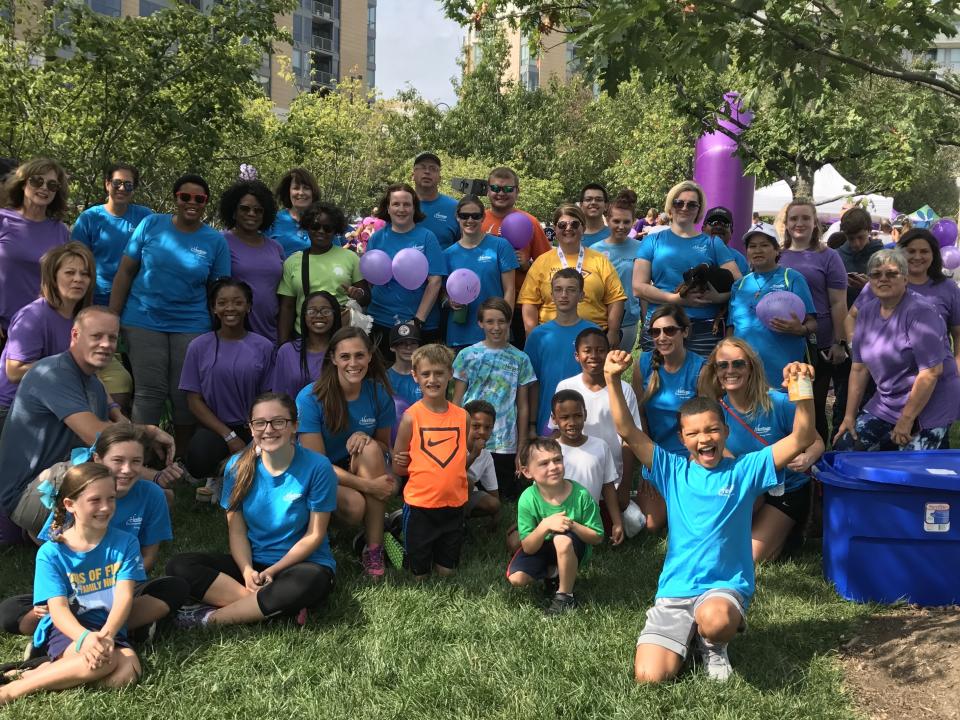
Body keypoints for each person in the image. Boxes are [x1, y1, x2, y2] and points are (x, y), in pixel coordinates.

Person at [605, 350, 817, 683]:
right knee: (649, 677)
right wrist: (612, 379)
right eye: (694, 434)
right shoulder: (670, 469)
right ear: (682, 439)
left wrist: (801, 388)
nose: (704, 439)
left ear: (725, 431)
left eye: (712, 430)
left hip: (722, 588)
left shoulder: (746, 470)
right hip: (676, 590)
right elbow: (626, 429)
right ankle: (685, 635)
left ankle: (712, 644)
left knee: (716, 620)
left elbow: (802, 437)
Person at [0, 425, 187, 647]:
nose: (127, 469)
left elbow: (148, 556)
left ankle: (82, 632)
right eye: (118, 460)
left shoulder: (152, 495)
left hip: (123, 583)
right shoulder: (78, 492)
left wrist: (115, 585)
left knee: (175, 588)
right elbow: (53, 553)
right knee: (10, 612)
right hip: (75, 588)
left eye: (136, 461)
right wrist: (59, 596)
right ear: (98, 459)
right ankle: (124, 628)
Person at [0, 307, 175, 538]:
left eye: (112, 338)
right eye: (96, 336)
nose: (105, 344)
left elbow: (102, 451)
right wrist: (150, 432)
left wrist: (154, 478)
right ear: (75, 336)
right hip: (27, 494)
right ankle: (61, 536)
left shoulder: (92, 383)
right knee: (131, 492)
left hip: (64, 475)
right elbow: (99, 437)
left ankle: (68, 531)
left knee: (159, 497)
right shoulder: (53, 372)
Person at [166, 393, 337, 628]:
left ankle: (208, 619)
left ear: (295, 426)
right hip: (253, 563)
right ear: (251, 427)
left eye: (279, 421)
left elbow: (315, 535)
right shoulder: (237, 466)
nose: (269, 430)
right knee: (179, 565)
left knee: (311, 582)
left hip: (301, 566)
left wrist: (274, 570)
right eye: (260, 423)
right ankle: (271, 607)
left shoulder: (318, 466)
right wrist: (247, 571)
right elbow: (236, 532)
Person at [0, 463, 145, 706]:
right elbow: (58, 610)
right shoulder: (51, 552)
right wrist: (85, 638)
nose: (106, 507)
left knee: (127, 673)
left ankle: (37, 672)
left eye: (111, 498)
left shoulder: (126, 543)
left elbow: (124, 598)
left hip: (109, 630)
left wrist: (107, 635)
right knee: (107, 663)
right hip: (69, 630)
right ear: (70, 505)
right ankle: (12, 691)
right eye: (95, 500)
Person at [110, 173, 230, 453]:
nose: (191, 202)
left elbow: (220, 290)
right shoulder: (152, 224)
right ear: (175, 198)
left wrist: (219, 332)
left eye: (199, 199)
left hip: (191, 324)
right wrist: (112, 318)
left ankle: (183, 458)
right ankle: (140, 455)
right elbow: (126, 271)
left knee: (183, 394)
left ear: (205, 203)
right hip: (142, 319)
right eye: (184, 197)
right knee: (149, 391)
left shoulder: (214, 241)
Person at [699, 338, 824, 562]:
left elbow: (815, 441)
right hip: (749, 490)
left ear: (751, 368)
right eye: (723, 365)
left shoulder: (777, 402)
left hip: (787, 490)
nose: (730, 370)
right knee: (714, 544)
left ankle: (787, 531)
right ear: (715, 371)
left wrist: (808, 457)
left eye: (738, 364)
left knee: (750, 557)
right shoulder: (717, 411)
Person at [835, 249, 960, 451]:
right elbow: (859, 369)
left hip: (931, 404)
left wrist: (906, 419)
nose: (883, 279)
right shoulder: (866, 312)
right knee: (846, 448)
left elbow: (931, 373)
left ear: (905, 279)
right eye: (876, 274)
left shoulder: (921, 312)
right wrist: (849, 417)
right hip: (888, 402)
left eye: (892, 274)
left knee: (910, 469)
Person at [297, 328, 395, 579]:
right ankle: (318, 525)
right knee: (354, 508)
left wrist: (365, 437)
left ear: (370, 357)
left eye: (360, 355)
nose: (353, 363)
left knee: (371, 449)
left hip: (354, 466)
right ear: (333, 358)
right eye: (345, 357)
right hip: (316, 473)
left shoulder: (378, 392)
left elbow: (385, 446)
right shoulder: (311, 397)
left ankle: (374, 549)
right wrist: (370, 486)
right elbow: (316, 464)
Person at [179, 280, 274, 491]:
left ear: (248, 306)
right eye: (222, 303)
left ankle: (233, 469)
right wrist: (229, 437)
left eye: (237, 302)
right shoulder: (199, 346)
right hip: (216, 428)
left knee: (269, 469)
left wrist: (255, 437)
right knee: (199, 460)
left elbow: (268, 397)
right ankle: (219, 473)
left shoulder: (264, 346)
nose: (230, 308)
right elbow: (194, 401)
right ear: (213, 308)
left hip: (254, 427)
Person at [551, 328, 651, 527]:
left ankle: (626, 500)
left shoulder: (624, 389)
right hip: (574, 475)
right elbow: (555, 431)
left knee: (627, 523)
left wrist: (623, 485)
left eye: (600, 350)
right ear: (577, 355)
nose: (594, 356)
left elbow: (629, 441)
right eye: (587, 350)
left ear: (609, 352)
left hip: (612, 479)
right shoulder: (565, 386)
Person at [633, 180, 741, 356]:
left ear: (699, 210)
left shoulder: (713, 243)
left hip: (703, 327)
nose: (684, 208)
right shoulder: (652, 241)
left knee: (702, 382)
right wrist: (676, 299)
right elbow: (638, 287)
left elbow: (740, 285)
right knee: (654, 381)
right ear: (670, 205)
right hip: (661, 325)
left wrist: (718, 297)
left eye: (692, 204)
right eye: (679, 203)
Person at [392, 344, 469, 580]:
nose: (432, 379)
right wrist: (401, 461)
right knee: (420, 574)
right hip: (420, 506)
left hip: (454, 505)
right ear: (415, 376)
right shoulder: (410, 418)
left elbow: (459, 460)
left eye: (439, 373)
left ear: (449, 374)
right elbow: (398, 465)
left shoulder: (462, 416)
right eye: (425, 374)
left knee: (447, 572)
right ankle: (392, 534)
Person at [0, 242, 94, 433]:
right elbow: (14, 371)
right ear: (53, 277)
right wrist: (69, 366)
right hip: (13, 409)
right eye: (70, 273)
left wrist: (114, 411)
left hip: (55, 405)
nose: (78, 279)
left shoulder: (83, 319)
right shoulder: (34, 316)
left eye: (84, 274)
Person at [776, 199, 849, 444]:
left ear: (815, 223)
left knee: (813, 404)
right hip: (782, 342)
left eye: (805, 218)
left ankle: (815, 464)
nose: (799, 223)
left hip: (819, 344)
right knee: (785, 402)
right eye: (794, 218)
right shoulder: (777, 255)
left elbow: (839, 303)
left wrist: (840, 341)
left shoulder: (829, 257)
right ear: (785, 224)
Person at [506, 437, 604, 615]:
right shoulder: (527, 499)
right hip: (541, 546)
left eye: (557, 460)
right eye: (544, 463)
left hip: (572, 546)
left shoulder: (581, 494)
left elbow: (597, 536)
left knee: (561, 540)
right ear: (527, 472)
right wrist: (545, 525)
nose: (553, 467)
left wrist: (571, 525)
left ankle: (565, 596)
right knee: (517, 579)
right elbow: (528, 547)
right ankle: (554, 575)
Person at [452, 298, 536, 499]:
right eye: (490, 321)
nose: (496, 327)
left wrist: (522, 443)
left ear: (509, 322)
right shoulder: (467, 355)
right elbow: (456, 400)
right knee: (462, 490)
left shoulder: (520, 358)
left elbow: (523, 405)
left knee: (504, 496)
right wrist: (455, 436)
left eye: (501, 321)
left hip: (504, 441)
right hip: (470, 437)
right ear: (480, 323)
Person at [849, 228, 960, 371]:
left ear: (934, 254)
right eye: (911, 251)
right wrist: (857, 350)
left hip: (935, 376)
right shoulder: (880, 284)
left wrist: (957, 369)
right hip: (884, 376)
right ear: (901, 253)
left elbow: (958, 333)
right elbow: (851, 317)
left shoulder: (948, 288)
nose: (917, 256)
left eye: (924, 251)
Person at [519, 203, 626, 348]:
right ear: (555, 229)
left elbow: (615, 299)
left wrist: (613, 332)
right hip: (550, 338)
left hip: (593, 338)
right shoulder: (541, 262)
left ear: (583, 228)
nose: (568, 228)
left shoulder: (600, 260)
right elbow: (529, 302)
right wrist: (532, 335)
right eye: (562, 225)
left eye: (575, 224)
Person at [727, 223, 817, 390]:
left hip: (787, 377)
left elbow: (812, 322)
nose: (757, 250)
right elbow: (731, 329)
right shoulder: (739, 285)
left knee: (795, 416)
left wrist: (801, 329)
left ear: (777, 250)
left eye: (764, 245)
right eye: (752, 246)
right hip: (746, 377)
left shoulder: (792, 278)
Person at [367, 183, 445, 360]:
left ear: (414, 207)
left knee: (421, 380)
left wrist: (418, 321)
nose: (401, 209)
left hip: (420, 325)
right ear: (387, 208)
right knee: (382, 380)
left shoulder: (427, 237)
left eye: (406, 204)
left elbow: (435, 281)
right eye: (396, 204)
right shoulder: (377, 238)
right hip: (381, 320)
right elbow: (371, 278)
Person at [481, 166, 553, 348]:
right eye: (496, 188)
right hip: (483, 305)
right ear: (488, 190)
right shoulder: (476, 220)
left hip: (521, 308)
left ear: (517, 191)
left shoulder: (530, 222)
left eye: (507, 189)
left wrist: (527, 265)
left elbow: (548, 266)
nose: (501, 193)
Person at [0, 157, 70, 341]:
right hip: (3, 326)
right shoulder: (2, 220)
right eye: (37, 181)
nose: (44, 187)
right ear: (23, 184)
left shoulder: (60, 231)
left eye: (52, 185)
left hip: (40, 327)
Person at [277, 201, 365, 344]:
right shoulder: (292, 262)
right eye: (315, 227)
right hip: (304, 337)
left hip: (340, 337)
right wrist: (283, 344)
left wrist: (358, 294)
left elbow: (366, 296)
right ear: (307, 228)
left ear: (335, 230)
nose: (321, 231)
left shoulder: (351, 258)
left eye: (328, 228)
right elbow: (287, 306)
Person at [525, 268, 599, 437]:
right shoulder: (538, 335)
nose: (564, 295)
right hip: (547, 419)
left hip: (587, 418)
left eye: (571, 290)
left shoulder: (592, 332)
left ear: (581, 296)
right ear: (551, 295)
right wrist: (531, 424)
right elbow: (531, 384)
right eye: (558, 289)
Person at [443, 194, 518, 349]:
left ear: (483, 217)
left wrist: (506, 325)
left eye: (475, 216)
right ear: (457, 217)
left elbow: (509, 290)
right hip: (460, 335)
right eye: (464, 216)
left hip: (494, 332)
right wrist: (449, 301)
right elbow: (442, 292)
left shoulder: (500, 246)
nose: (470, 220)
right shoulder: (448, 254)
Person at [72, 164, 153, 307]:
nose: (122, 188)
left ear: (134, 189)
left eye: (128, 185)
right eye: (117, 183)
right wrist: (86, 301)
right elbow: (77, 260)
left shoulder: (145, 217)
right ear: (107, 184)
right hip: (96, 296)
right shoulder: (90, 218)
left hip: (134, 300)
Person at [551, 389, 624, 545]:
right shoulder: (549, 450)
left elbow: (608, 486)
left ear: (585, 414)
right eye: (564, 417)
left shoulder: (600, 446)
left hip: (589, 524)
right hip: (556, 519)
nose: (572, 422)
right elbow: (538, 491)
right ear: (554, 419)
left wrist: (617, 522)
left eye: (577, 415)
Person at [632, 304, 704, 456]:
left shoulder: (700, 369)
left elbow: (707, 421)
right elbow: (640, 415)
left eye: (670, 330)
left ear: (685, 331)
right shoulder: (643, 364)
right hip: (655, 453)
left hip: (691, 455)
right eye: (655, 332)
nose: (662, 337)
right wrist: (650, 461)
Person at [220, 179, 283, 343]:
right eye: (245, 208)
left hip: (271, 332)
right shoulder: (221, 242)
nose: (251, 214)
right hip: (235, 333)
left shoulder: (276, 248)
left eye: (258, 210)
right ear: (233, 211)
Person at [593, 189, 642, 351]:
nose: (621, 226)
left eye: (626, 222)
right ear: (607, 220)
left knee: (618, 366)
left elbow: (644, 288)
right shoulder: (595, 250)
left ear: (633, 221)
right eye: (616, 221)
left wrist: (646, 322)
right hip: (599, 318)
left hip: (628, 320)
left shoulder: (641, 249)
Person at [271, 290, 341, 401]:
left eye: (326, 311)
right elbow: (278, 396)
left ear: (335, 314)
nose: (319, 315)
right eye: (312, 311)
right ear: (303, 316)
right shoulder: (287, 351)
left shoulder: (343, 351)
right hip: (295, 417)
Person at [268, 168, 321, 258]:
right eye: (296, 188)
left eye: (306, 188)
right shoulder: (272, 220)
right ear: (288, 191)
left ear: (313, 193)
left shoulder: (323, 221)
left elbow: (335, 255)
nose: (301, 192)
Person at [412, 152, 460, 250]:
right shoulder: (400, 206)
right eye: (422, 167)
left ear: (440, 178)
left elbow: (464, 246)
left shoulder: (455, 207)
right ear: (412, 175)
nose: (427, 172)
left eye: (433, 169)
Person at [463, 400, 500, 522]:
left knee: (493, 504)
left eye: (487, 427)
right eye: (476, 426)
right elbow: (454, 474)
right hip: (444, 493)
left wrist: (495, 515)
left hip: (467, 495)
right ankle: (453, 521)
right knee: (467, 481)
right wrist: (473, 455)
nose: (482, 432)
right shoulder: (455, 446)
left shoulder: (486, 456)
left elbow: (493, 491)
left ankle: (462, 516)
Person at [386, 320, 423, 409]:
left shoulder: (425, 375)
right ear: (392, 347)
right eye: (402, 343)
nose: (408, 348)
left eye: (413, 343)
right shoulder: (384, 378)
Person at [703, 206, 749, 275]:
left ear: (731, 232)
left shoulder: (739, 259)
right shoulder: (693, 252)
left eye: (724, 224)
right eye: (713, 222)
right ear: (703, 228)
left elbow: (744, 285)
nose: (718, 227)